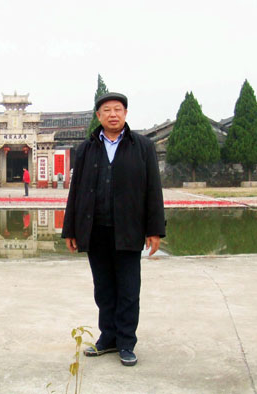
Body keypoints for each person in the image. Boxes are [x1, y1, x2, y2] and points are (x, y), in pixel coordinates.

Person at [62, 92, 166, 367]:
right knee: (104, 289)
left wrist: (155, 229)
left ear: (125, 114)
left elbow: (153, 189)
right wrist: (70, 229)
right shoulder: (86, 149)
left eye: (117, 109)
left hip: (128, 229)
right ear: (98, 116)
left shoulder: (142, 146)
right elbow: (76, 191)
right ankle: (107, 338)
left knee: (129, 290)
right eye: (106, 110)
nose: (112, 114)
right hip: (95, 229)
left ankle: (126, 342)